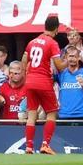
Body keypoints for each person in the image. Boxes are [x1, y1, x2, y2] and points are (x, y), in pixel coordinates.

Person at [20, 15, 66, 153]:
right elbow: (59, 66)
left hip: (30, 81)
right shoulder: (52, 43)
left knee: (31, 115)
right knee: (52, 112)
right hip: (43, 81)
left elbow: (24, 59)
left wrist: (26, 73)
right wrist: (67, 61)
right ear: (56, 29)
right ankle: (45, 144)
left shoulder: (32, 41)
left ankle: (29, 146)